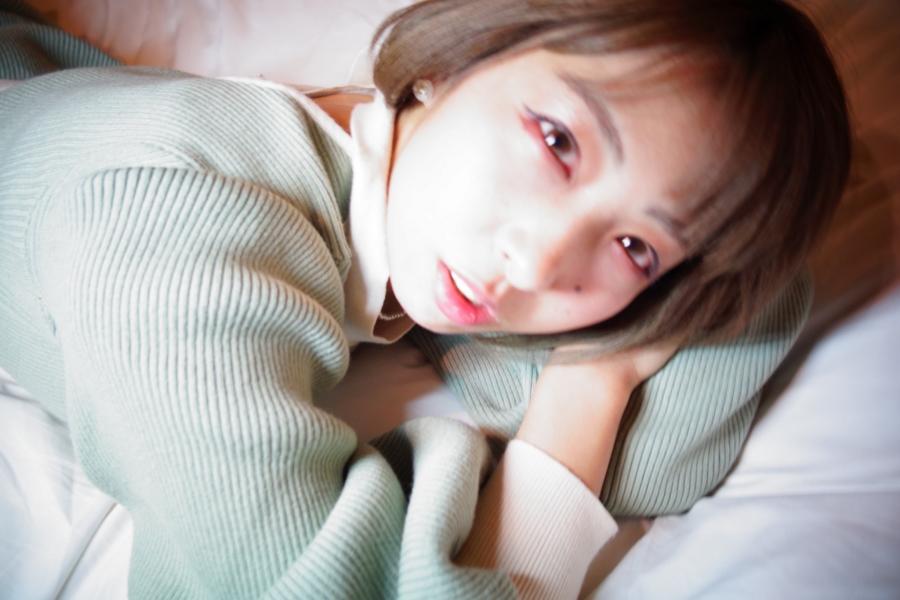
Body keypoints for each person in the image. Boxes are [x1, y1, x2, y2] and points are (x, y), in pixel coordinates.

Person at [0, 0, 849, 598]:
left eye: (636, 247)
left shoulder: (401, 198)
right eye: (557, 141)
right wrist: (594, 384)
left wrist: (598, 379)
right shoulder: (174, 232)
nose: (537, 261)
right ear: (456, 55)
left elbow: (661, 464)